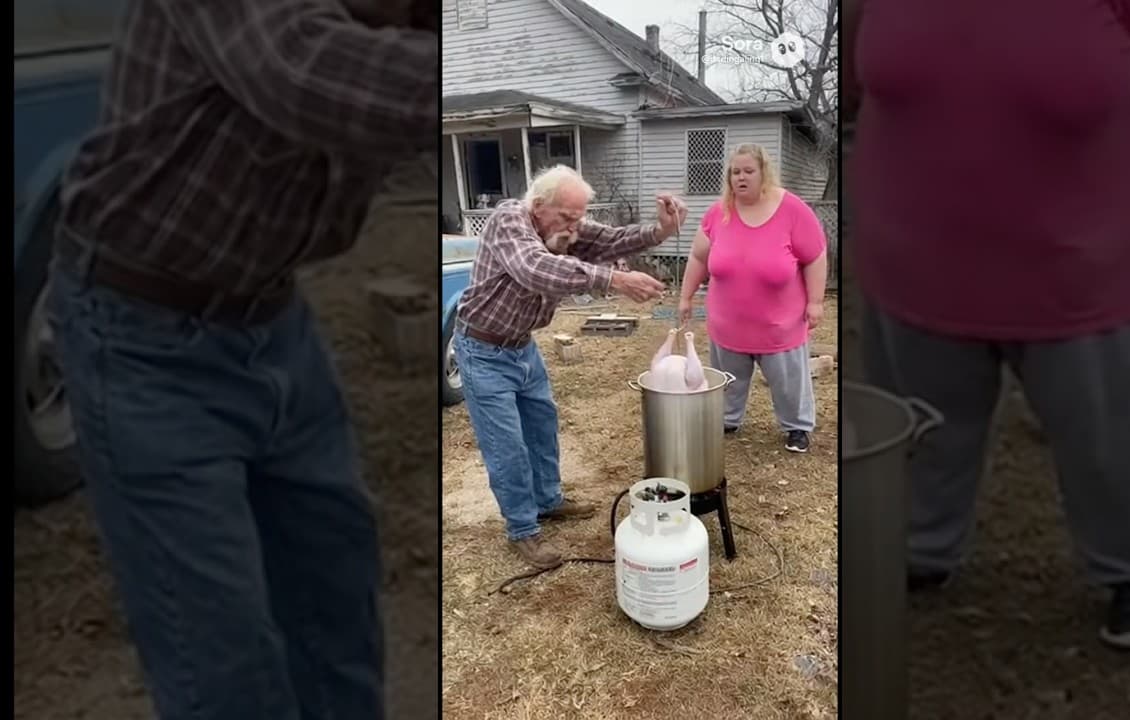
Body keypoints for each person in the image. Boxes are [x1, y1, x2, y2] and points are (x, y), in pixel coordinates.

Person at [46, 1, 439, 718]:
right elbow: (301, 68)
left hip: (273, 319)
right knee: (221, 666)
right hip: (137, 333)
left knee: (335, 612)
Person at [849, 0, 1130, 653]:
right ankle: (915, 546)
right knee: (918, 427)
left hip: (1088, 261)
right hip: (915, 253)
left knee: (1116, 435)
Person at [453, 165, 685, 569]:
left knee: (543, 427)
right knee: (506, 445)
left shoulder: (566, 226)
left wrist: (661, 231)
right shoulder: (508, 220)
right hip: (483, 350)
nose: (575, 227)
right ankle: (523, 530)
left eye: (579, 217)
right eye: (567, 217)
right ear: (539, 206)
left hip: (522, 348)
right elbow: (535, 269)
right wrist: (613, 280)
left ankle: (548, 500)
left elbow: (612, 239)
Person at [676, 143, 829, 453]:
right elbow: (698, 257)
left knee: (789, 383)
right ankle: (728, 419)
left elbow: (815, 256)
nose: (740, 178)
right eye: (735, 172)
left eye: (748, 171)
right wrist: (685, 296)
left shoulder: (793, 210)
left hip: (780, 326)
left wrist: (815, 301)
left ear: (763, 173)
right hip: (728, 324)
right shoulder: (719, 212)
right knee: (728, 379)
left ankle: (797, 426)